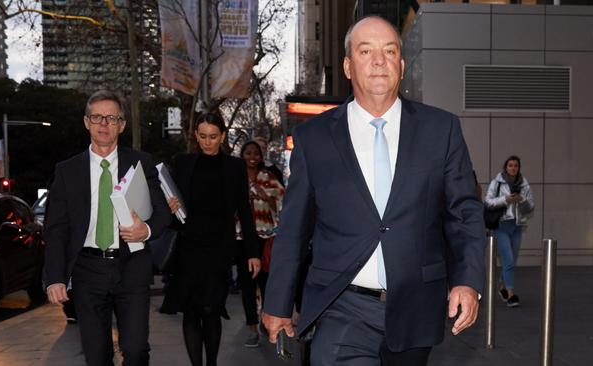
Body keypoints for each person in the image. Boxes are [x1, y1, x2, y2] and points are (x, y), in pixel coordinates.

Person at [262, 16, 486, 366]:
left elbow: (463, 214)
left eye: (389, 50)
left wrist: (467, 280)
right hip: (341, 307)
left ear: (401, 64)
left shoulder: (440, 130)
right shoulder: (315, 139)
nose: (379, 60)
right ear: (349, 67)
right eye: (366, 51)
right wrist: (277, 302)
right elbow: (293, 229)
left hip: (416, 306)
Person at [43, 90, 171, 366]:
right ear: (86, 122)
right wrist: (54, 277)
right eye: (97, 117)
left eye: (111, 118)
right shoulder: (67, 170)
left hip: (132, 267)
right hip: (88, 271)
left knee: (136, 350)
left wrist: (145, 231)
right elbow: (56, 228)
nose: (103, 124)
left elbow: (163, 214)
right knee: (97, 356)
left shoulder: (141, 163)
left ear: (122, 125)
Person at [166, 112, 261, 366]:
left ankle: (212, 364)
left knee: (211, 309)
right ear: (196, 136)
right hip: (188, 248)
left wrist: (253, 252)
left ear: (222, 137)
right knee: (191, 310)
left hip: (219, 249)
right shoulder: (183, 163)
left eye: (213, 137)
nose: (208, 142)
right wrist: (171, 207)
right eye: (203, 136)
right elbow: (173, 213)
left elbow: (244, 211)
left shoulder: (234, 167)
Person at [236, 141, 285, 348]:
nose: (252, 156)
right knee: (247, 286)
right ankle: (252, 329)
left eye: (256, 153)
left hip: (265, 238)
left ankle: (266, 322)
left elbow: (284, 201)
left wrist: (265, 197)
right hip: (242, 239)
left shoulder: (269, 177)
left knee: (266, 284)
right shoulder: (235, 178)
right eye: (248, 153)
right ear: (242, 155)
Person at [484, 155, 534, 308]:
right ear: (506, 167)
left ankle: (501, 286)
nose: (513, 168)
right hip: (501, 226)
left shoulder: (524, 184)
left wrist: (522, 200)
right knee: (509, 260)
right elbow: (488, 201)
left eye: (516, 165)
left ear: (519, 168)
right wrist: (506, 200)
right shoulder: (497, 182)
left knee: (511, 261)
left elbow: (530, 207)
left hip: (517, 226)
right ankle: (511, 293)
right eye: (510, 165)